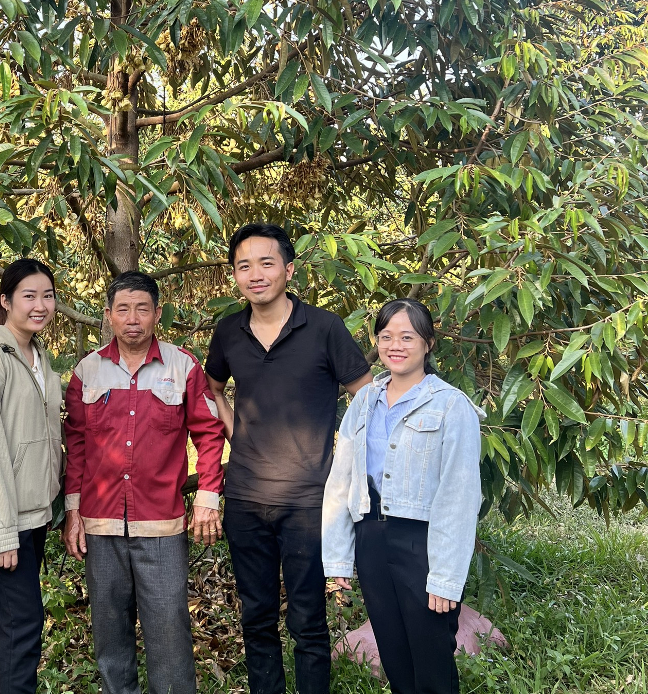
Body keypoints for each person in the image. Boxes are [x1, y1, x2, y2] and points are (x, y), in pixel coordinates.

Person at [204, 223, 373, 694]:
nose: (255, 274)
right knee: (256, 617)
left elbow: (366, 397)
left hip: (308, 501)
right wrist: (238, 434)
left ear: (289, 269)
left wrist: (343, 463)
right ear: (234, 275)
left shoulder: (324, 328)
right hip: (244, 499)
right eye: (244, 266)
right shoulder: (229, 331)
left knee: (307, 621)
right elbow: (212, 388)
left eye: (266, 263)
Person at [62, 271, 226, 694]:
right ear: (108, 315)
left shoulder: (182, 365)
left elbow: (209, 434)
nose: (132, 319)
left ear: (157, 313)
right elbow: (75, 446)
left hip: (162, 525)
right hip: (100, 524)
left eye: (142, 309)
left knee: (169, 630)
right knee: (110, 631)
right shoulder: (87, 371)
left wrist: (208, 496)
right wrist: (72, 511)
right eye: (123, 309)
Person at [322, 298, 484, 694]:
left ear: (428, 344)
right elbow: (341, 481)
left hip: (422, 544)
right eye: (386, 336)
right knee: (394, 655)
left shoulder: (451, 406)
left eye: (407, 337)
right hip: (372, 539)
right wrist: (338, 557)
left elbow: (460, 495)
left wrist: (445, 578)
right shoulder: (364, 401)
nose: (395, 345)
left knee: (431, 660)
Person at [0, 259, 64, 694]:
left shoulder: (38, 356)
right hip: (4, 521)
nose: (40, 305)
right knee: (24, 623)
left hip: (33, 513)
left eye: (48, 296)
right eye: (29, 296)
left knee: (4, 620)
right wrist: (1, 534)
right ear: (5, 301)